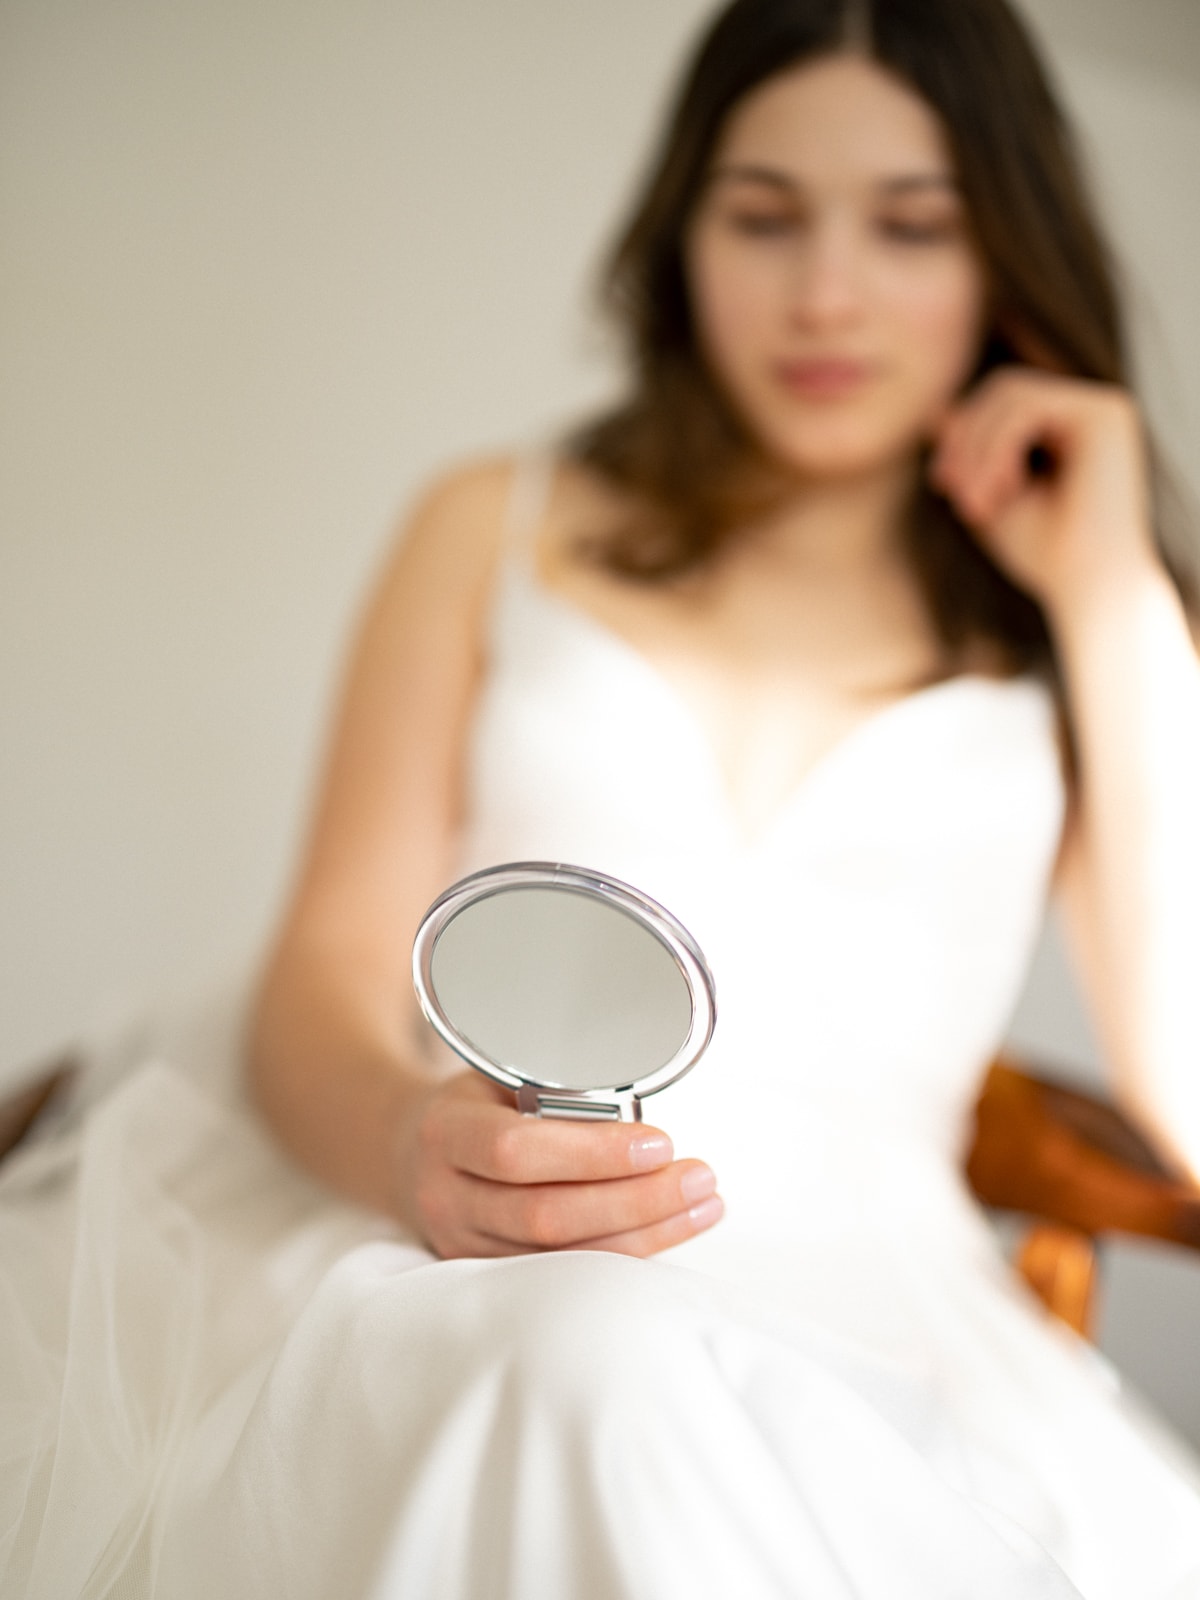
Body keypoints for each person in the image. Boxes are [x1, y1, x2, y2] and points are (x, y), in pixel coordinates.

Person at [2, 1, 1199, 1597]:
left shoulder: (1084, 632)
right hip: (460, 1225)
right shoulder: (494, 526)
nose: (826, 293)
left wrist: (1114, 590)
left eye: (914, 226)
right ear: (683, 227)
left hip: (890, 1317)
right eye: (764, 215)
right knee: (581, 1362)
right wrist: (409, 1142)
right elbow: (331, 966)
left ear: (1007, 253)